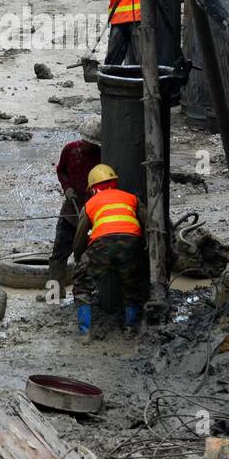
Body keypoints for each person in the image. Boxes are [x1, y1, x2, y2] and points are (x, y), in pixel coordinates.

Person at [71, 163, 149, 338]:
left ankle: (85, 332)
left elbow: (80, 238)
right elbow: (149, 224)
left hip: (102, 244)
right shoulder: (132, 198)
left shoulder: (90, 203)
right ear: (114, 182)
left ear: (92, 188)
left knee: (82, 284)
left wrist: (79, 259)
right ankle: (130, 329)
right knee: (132, 285)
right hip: (132, 242)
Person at [49, 119, 103, 300]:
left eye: (93, 143)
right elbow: (61, 170)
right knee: (58, 254)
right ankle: (54, 295)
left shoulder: (103, 156)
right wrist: (67, 188)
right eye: (87, 142)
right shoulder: (70, 150)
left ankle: (84, 294)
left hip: (92, 215)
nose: (89, 146)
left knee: (86, 256)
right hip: (70, 212)